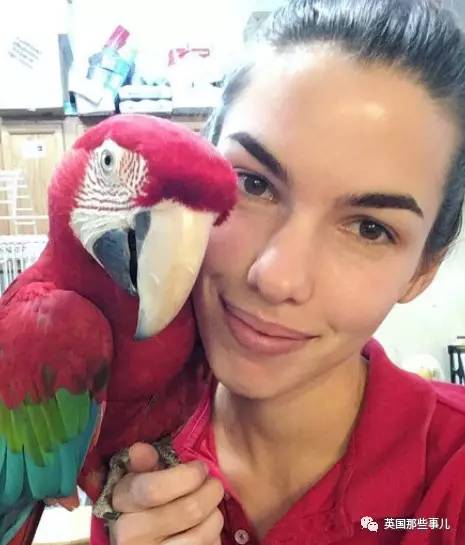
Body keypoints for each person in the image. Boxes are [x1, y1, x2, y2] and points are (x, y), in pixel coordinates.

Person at [99, 0, 465, 543]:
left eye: (369, 229)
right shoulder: (128, 442)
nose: (276, 278)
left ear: (422, 271)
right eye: (253, 184)